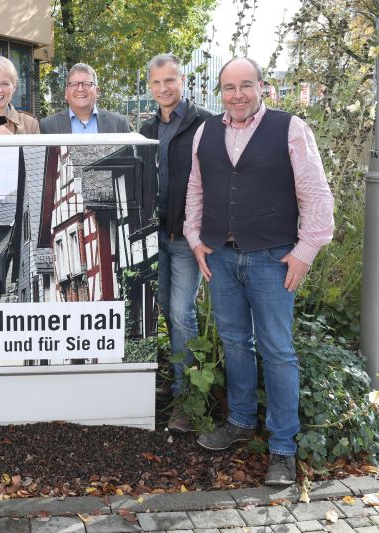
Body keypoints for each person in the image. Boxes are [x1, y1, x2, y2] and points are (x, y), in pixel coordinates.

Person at [183, 57, 334, 485]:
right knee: (234, 342)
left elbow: (317, 196)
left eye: (245, 85)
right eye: (229, 88)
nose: (237, 95)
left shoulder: (290, 128)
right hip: (222, 259)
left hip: (273, 258)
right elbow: (196, 189)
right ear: (220, 92)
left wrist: (305, 252)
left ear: (261, 86)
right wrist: (195, 240)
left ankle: (284, 447)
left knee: (278, 351)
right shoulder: (206, 131)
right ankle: (240, 422)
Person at [139, 53, 212, 432]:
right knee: (168, 312)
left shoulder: (204, 124)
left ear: (182, 81)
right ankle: (180, 382)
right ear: (150, 86)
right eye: (156, 82)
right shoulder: (148, 129)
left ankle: (188, 400)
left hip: (187, 238)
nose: (163, 88)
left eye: (170, 81)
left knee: (183, 316)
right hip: (155, 237)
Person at [40, 63, 131, 134]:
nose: (80, 89)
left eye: (87, 84)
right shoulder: (47, 126)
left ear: (97, 92)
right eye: (74, 84)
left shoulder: (119, 124)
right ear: (66, 93)